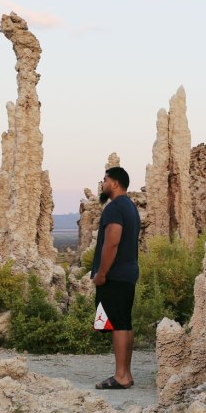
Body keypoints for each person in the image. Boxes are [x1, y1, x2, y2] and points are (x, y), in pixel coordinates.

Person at [92, 166, 140, 389]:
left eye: (104, 180)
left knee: (118, 325)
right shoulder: (130, 207)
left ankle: (120, 376)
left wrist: (101, 274)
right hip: (128, 274)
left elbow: (112, 242)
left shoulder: (113, 208)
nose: (102, 184)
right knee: (124, 323)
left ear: (114, 183)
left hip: (115, 276)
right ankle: (126, 375)